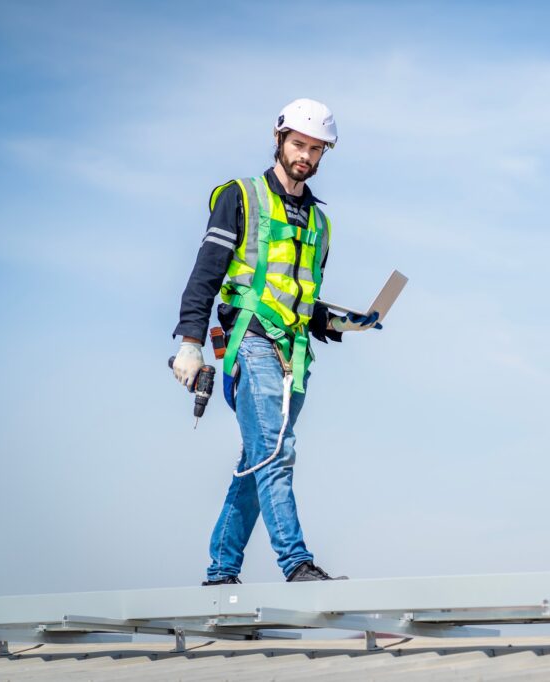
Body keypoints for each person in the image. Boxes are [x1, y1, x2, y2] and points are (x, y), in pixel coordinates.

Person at [171, 98, 381, 584]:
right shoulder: (240, 196)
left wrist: (341, 321)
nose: (305, 155)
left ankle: (221, 573)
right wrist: (190, 341)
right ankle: (297, 564)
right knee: (276, 452)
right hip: (250, 344)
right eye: (298, 144)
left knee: (257, 458)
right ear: (279, 139)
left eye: (316, 149)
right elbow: (205, 274)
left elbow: (299, 298)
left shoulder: (320, 223)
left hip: (294, 356)